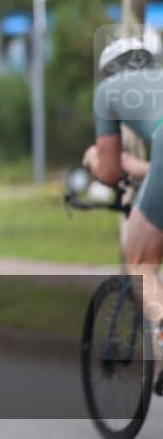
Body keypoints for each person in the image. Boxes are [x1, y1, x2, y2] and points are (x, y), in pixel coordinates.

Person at [83, 36, 163, 391]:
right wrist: (141, 165)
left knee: (142, 263)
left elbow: (110, 172)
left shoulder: (108, 91)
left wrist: (92, 160)